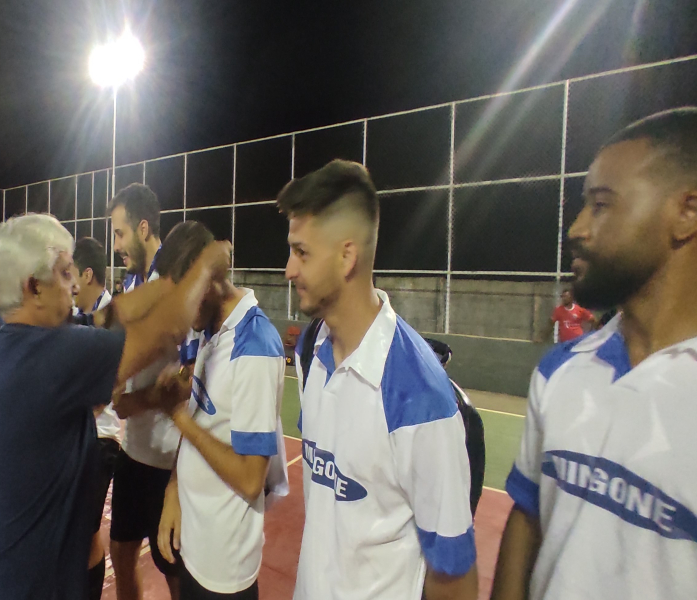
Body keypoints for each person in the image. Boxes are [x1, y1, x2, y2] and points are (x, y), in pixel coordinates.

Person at [0, 213, 230, 600]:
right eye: (65, 273)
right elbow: (164, 332)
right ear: (34, 286)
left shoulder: (18, 342)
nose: (74, 284)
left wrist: (167, 280)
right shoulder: (52, 353)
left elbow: (110, 316)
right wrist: (206, 264)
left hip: (11, 575)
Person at [491, 108, 697, 600]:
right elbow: (528, 518)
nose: (577, 228)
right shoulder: (561, 370)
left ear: (686, 212)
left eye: (601, 205)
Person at [284, 160, 477, 600]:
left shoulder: (420, 394)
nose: (289, 269)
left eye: (302, 252)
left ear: (346, 255)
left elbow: (453, 578)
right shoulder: (310, 354)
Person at [154, 222, 288, 600]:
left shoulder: (255, 345)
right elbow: (200, 415)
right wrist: (173, 490)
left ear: (209, 282)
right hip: (195, 541)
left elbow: (250, 477)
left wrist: (176, 415)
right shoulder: (209, 330)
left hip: (224, 565)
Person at [107, 183, 183, 599]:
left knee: (171, 567)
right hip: (133, 448)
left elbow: (186, 376)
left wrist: (139, 397)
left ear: (142, 227)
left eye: (119, 234)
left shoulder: (171, 282)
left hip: (166, 455)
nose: (116, 245)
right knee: (120, 551)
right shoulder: (134, 283)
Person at [71, 236, 120, 599]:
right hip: (79, 434)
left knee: (87, 530)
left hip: (102, 439)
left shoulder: (113, 319)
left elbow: (103, 395)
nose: (66, 282)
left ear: (87, 274)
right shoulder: (74, 317)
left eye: (69, 273)